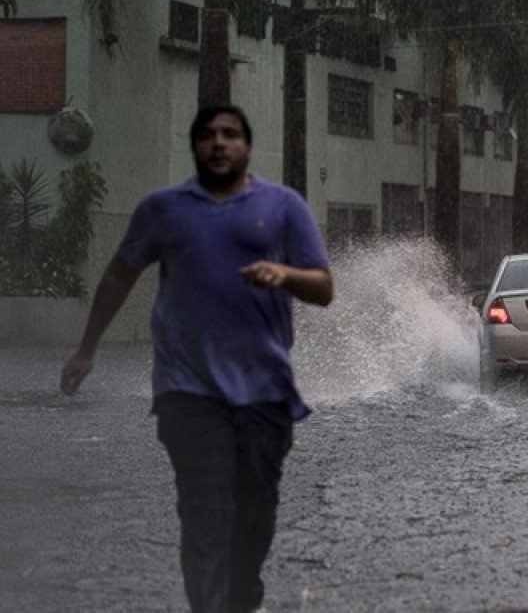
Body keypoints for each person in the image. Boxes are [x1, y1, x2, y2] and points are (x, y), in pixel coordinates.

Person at [59, 105, 333, 613]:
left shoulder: (284, 207)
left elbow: (324, 287)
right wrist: (87, 348)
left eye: (230, 135)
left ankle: (242, 596)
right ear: (195, 147)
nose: (219, 143)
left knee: (253, 519)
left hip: (265, 393)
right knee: (204, 514)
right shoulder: (162, 210)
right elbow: (120, 275)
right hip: (187, 393)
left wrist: (284, 274)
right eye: (208, 135)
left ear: (247, 147)